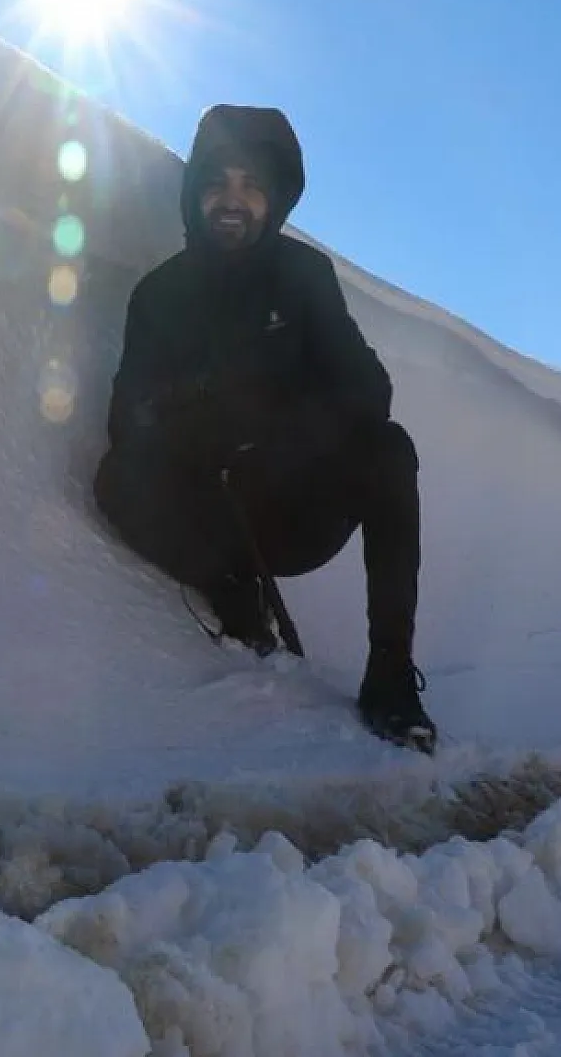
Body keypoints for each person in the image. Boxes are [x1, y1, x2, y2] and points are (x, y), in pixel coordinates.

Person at [93, 104, 437, 752]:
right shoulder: (157, 295)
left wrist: (277, 428)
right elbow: (124, 422)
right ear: (196, 193)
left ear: (275, 199)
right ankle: (230, 590)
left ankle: (390, 672)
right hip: (206, 507)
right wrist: (189, 418)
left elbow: (370, 389)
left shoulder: (303, 277)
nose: (234, 199)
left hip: (295, 507)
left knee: (391, 451)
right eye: (219, 182)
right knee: (113, 480)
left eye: (252, 186)